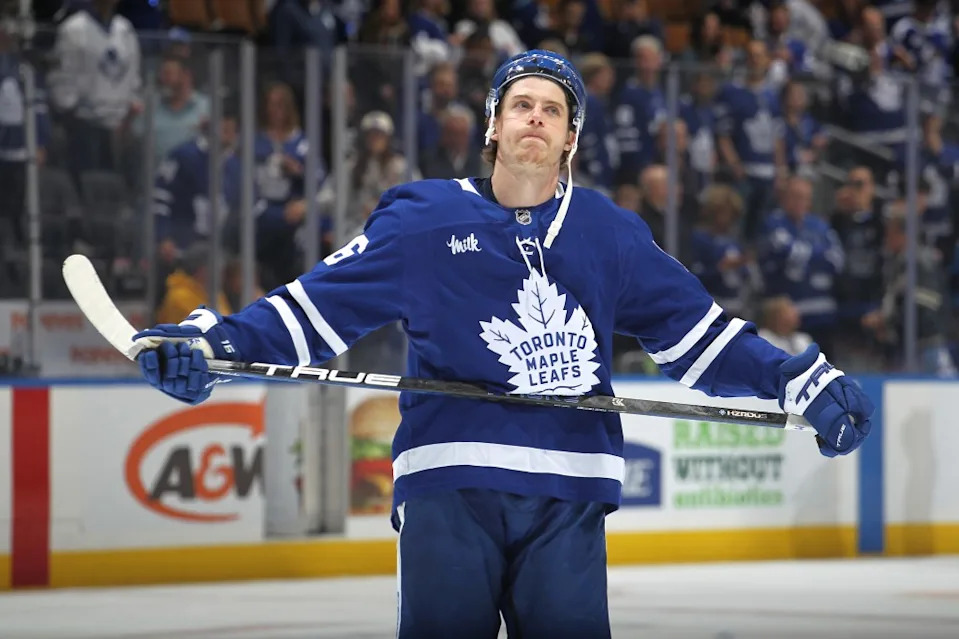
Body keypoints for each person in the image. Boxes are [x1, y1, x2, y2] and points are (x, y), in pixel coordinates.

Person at [131, 50, 874, 639]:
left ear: (570, 139)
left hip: (569, 492)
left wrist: (794, 378)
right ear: (492, 125)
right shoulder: (420, 221)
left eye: (553, 111)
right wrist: (213, 343)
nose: (535, 118)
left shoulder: (610, 234)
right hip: (450, 480)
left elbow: (699, 337)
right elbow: (313, 310)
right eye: (521, 104)